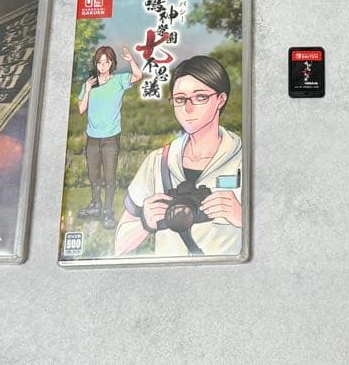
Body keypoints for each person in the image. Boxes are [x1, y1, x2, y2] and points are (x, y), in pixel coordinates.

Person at [115, 56, 243, 258]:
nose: (188, 108)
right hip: (169, 274)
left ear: (221, 99)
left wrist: (241, 216)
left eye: (200, 97)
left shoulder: (245, 159)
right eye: (180, 99)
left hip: (228, 273)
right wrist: (145, 223)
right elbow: (119, 245)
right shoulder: (158, 162)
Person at [77, 45, 143, 229]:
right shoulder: (89, 84)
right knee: (93, 175)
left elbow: (138, 76)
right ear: (96, 64)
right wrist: (88, 89)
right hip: (92, 138)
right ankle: (95, 204)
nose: (103, 65)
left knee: (109, 177)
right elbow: (81, 109)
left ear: (112, 63)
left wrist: (131, 60)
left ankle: (108, 211)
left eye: (107, 62)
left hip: (111, 138)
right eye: (100, 62)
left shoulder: (119, 80)